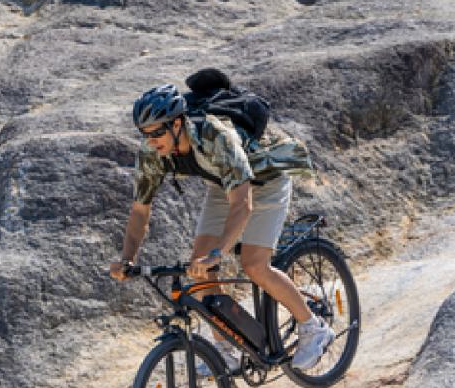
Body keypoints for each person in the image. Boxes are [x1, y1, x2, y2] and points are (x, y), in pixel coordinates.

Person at [109, 83, 334, 371]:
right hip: (222, 185)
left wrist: (218, 252)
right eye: (144, 134)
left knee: (254, 265)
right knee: (200, 272)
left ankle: (313, 328)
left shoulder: (216, 136)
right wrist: (127, 258)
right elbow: (140, 210)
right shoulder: (152, 152)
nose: (150, 141)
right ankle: (226, 349)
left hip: (266, 181)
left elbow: (243, 204)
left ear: (177, 124)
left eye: (156, 133)